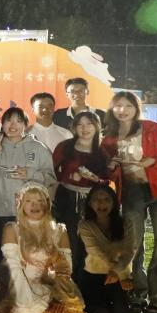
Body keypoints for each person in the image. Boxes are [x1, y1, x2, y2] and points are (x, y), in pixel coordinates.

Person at [101, 91, 157, 313]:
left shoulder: (153, 129)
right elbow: (108, 173)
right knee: (132, 245)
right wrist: (111, 166)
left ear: (136, 109)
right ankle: (136, 295)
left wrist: (153, 161)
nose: (122, 110)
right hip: (131, 192)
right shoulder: (108, 138)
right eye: (118, 105)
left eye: (128, 106)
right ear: (112, 109)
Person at [0, 183, 86, 313]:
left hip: (50, 284)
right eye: (29, 201)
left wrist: (58, 299)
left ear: (47, 204)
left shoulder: (59, 230)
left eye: (40, 201)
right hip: (22, 286)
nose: (35, 205)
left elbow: (65, 269)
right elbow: (14, 270)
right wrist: (30, 306)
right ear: (21, 204)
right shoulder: (12, 229)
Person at [0, 107, 56, 265]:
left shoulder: (38, 147)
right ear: (2, 123)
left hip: (28, 212)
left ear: (26, 125)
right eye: (9, 120)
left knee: (28, 253)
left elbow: (51, 178)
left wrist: (30, 173)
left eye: (18, 121)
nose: (13, 125)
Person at [53, 111, 109, 282]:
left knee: (91, 243)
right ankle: (68, 282)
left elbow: (109, 178)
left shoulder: (104, 150)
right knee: (69, 241)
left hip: (94, 201)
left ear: (97, 126)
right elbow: (52, 171)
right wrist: (68, 177)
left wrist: (96, 179)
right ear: (74, 128)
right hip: (67, 198)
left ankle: (89, 285)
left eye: (89, 124)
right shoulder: (65, 147)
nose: (85, 129)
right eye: (80, 125)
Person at [77, 185, 136, 313]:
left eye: (106, 199)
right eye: (97, 199)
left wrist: (119, 274)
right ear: (90, 203)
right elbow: (96, 252)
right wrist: (115, 271)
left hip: (120, 276)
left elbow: (129, 251)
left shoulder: (125, 223)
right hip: (94, 275)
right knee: (100, 312)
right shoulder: (85, 225)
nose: (101, 203)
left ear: (114, 202)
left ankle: (120, 312)